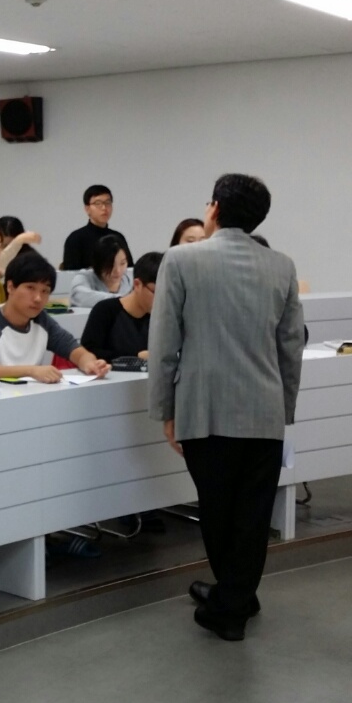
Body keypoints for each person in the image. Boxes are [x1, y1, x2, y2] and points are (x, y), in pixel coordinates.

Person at [149, 174, 305, 642]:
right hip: (263, 410)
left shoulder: (181, 260)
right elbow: (291, 346)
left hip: (205, 409)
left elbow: (164, 344)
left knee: (217, 510)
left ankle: (229, 609)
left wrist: (164, 409)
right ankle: (237, 594)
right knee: (253, 516)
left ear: (214, 208)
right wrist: (285, 409)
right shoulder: (281, 266)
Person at [0, 253, 110, 382]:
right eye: (30, 288)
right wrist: (30, 371)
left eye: (45, 291)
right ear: (10, 287)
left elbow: (76, 351)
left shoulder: (42, 320)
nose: (38, 298)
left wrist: (90, 364)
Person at [80, 252, 162, 362]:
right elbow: (88, 352)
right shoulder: (105, 311)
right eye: (156, 292)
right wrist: (135, 356)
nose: (162, 299)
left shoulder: (163, 316)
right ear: (137, 285)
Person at [61, 185, 132, 271]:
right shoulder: (75, 239)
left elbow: (129, 269)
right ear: (87, 209)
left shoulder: (118, 237)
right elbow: (70, 274)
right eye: (98, 203)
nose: (104, 208)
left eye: (108, 202)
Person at [69, 234, 132, 308]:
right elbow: (79, 296)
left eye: (122, 263)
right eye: (110, 265)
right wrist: (122, 300)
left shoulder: (130, 279)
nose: (118, 271)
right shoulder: (85, 277)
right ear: (99, 263)